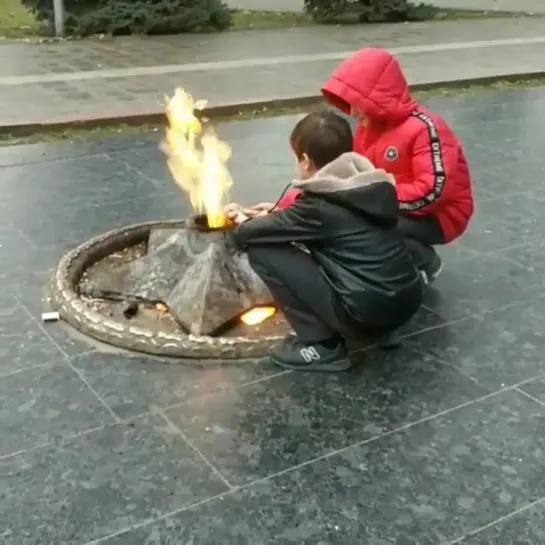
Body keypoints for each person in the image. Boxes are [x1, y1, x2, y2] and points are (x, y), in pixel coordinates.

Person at [226, 111, 424, 372]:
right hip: (403, 306)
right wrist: (277, 215)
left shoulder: (318, 207)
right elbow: (326, 224)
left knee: (264, 250)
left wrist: (242, 219)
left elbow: (247, 234)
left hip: (364, 314)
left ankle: (321, 346)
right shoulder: (373, 187)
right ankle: (381, 333)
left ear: (306, 161)